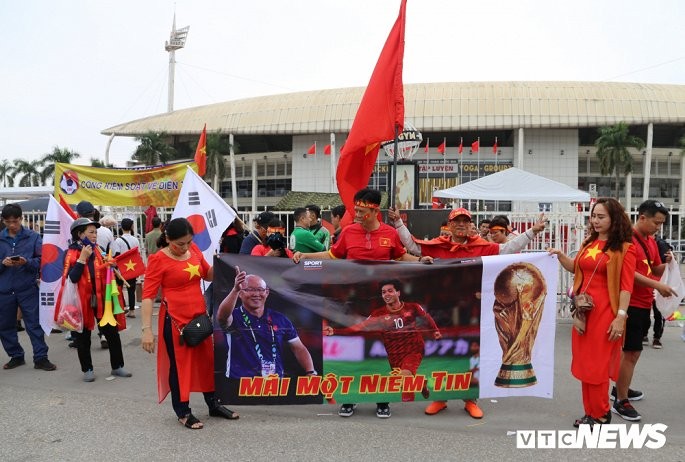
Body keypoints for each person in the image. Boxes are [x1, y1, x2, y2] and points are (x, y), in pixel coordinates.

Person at [388, 206, 547, 419]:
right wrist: (398, 222)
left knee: (472, 355)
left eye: (465, 221)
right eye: (457, 221)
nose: (461, 224)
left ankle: (470, 399)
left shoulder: (481, 246)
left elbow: (507, 249)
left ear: (471, 225)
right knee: (443, 354)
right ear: (450, 225)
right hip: (443, 311)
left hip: (473, 310)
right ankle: (441, 398)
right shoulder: (438, 246)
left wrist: (533, 232)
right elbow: (413, 246)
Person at [293, 188, 430, 419]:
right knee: (351, 356)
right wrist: (304, 256)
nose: (356, 214)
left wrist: (419, 260)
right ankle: (349, 398)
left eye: (360, 210)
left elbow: (399, 256)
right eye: (355, 209)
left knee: (383, 356)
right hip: (353, 305)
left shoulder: (389, 233)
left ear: (374, 210)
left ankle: (382, 399)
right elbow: (333, 256)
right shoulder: (348, 233)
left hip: (381, 306)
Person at [141, 218, 238, 429]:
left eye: (188, 242)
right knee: (180, 368)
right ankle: (183, 411)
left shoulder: (193, 249)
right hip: (176, 321)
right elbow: (147, 296)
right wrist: (147, 330)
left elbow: (208, 274)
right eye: (180, 244)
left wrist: (220, 265)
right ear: (167, 239)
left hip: (199, 317)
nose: (184, 247)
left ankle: (214, 404)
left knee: (207, 362)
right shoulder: (158, 260)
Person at [548, 198, 636, 428]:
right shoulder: (589, 242)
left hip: (606, 314)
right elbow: (576, 268)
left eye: (601, 216)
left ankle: (601, 414)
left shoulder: (625, 249)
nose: (595, 221)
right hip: (584, 313)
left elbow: (626, 287)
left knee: (597, 366)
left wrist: (620, 316)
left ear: (614, 218)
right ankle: (591, 413)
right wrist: (559, 255)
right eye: (593, 216)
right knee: (586, 364)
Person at [324, 279, 441, 402]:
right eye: (384, 292)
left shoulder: (413, 307)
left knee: (405, 378)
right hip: (394, 354)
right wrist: (336, 331)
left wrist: (435, 331)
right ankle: (420, 383)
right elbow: (360, 327)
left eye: (390, 291)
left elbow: (426, 318)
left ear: (398, 293)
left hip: (414, 348)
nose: (386, 294)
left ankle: (407, 410)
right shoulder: (378, 314)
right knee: (404, 378)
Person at [612, 200, 676, 421]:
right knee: (631, 351)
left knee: (633, 351)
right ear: (642, 218)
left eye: (661, 224)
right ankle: (620, 400)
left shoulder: (650, 240)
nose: (659, 227)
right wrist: (658, 286)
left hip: (644, 302)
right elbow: (626, 273)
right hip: (629, 303)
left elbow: (655, 269)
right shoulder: (626, 239)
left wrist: (668, 263)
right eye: (656, 223)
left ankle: (621, 387)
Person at [57, 218, 131, 382]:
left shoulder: (100, 250)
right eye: (91, 232)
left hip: (102, 299)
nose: (95, 235)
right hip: (82, 301)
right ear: (79, 234)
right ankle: (87, 369)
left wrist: (112, 266)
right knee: (83, 337)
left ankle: (117, 366)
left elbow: (109, 274)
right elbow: (72, 279)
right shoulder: (70, 253)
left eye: (96, 232)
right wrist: (82, 259)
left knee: (112, 333)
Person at [217, 270, 315, 379]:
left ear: (267, 293)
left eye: (260, 290)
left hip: (274, 385)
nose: (256, 294)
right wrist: (235, 290)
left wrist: (310, 371)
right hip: (240, 386)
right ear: (240, 293)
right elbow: (222, 317)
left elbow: (299, 348)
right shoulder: (234, 316)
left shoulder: (280, 319)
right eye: (250, 289)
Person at [0, 204, 56, 371]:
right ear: (3, 220)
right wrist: (2, 264)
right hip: (4, 290)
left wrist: (27, 262)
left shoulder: (33, 237)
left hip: (27, 288)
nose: (11, 225)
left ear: (21, 219)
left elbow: (42, 261)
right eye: (8, 222)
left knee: (34, 324)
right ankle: (16, 355)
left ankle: (41, 358)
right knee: (4, 326)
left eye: (15, 221)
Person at [112, 218, 140, 318]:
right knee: (131, 289)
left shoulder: (118, 240)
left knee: (119, 288)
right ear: (132, 227)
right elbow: (138, 254)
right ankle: (132, 311)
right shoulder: (135, 239)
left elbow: (116, 255)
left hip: (120, 269)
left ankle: (122, 308)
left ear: (121, 227)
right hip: (131, 267)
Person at [647, 237, 672, 349]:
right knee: (643, 312)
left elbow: (669, 260)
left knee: (659, 312)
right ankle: (643, 334)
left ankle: (657, 337)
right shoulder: (634, 240)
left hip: (659, 282)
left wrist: (670, 259)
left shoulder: (661, 244)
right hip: (645, 282)